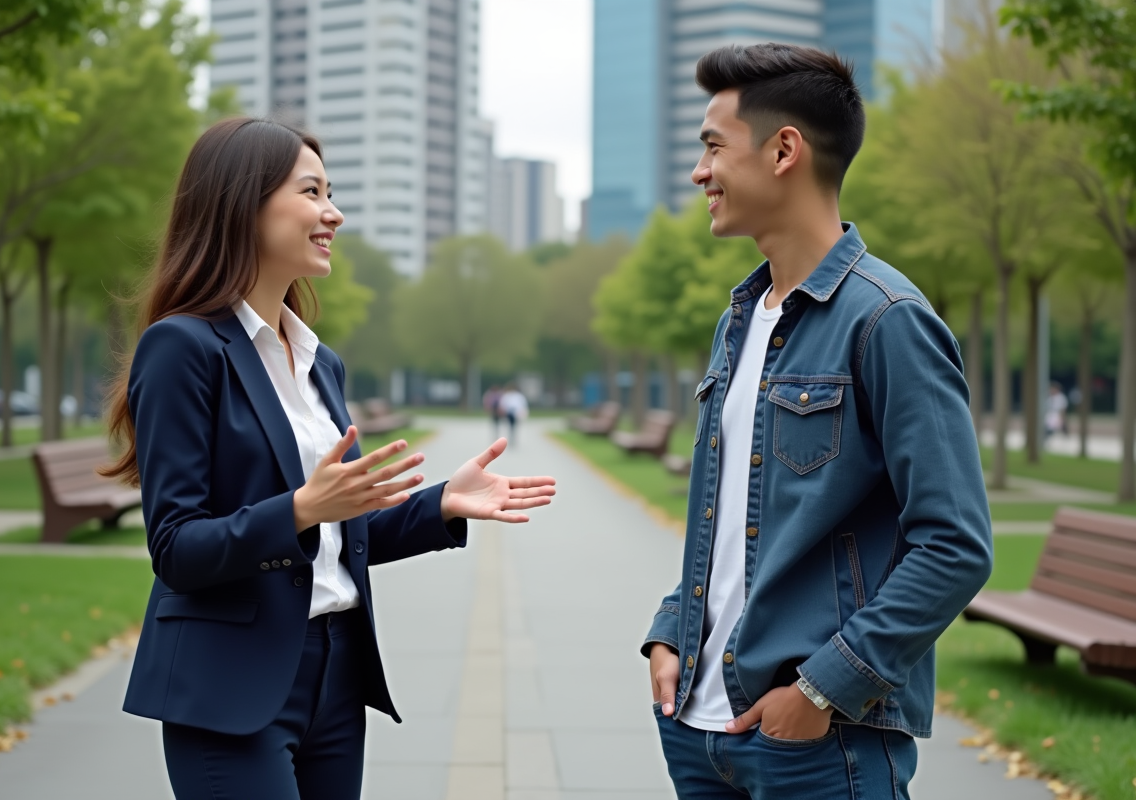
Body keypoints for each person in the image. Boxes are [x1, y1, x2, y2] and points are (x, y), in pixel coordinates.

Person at [101, 118, 557, 800]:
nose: (333, 213)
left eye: (330, 193)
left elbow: (345, 533)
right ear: (242, 203)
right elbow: (176, 549)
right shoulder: (183, 349)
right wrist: (300, 509)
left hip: (336, 676)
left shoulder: (319, 362)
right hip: (232, 688)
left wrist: (440, 504)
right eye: (312, 192)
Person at [643, 44, 992, 799]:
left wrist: (823, 689)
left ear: (783, 151)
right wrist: (673, 628)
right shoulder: (739, 321)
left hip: (816, 748)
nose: (699, 172)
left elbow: (956, 545)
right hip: (700, 734)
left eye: (711, 147)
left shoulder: (888, 321)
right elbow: (727, 514)